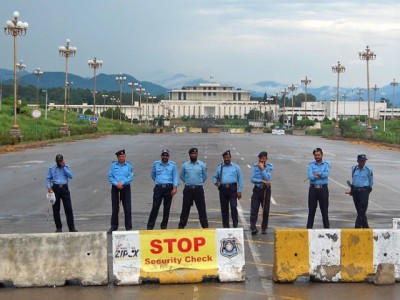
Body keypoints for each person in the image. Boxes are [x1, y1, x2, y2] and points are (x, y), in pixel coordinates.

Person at [147, 149, 179, 230]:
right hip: (158, 188)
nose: (165, 156)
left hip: (169, 188)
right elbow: (153, 175)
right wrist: (159, 182)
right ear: (161, 156)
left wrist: (175, 187)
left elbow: (175, 176)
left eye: (166, 155)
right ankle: (150, 227)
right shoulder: (156, 164)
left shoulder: (172, 165)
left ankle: (163, 227)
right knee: (155, 207)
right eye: (163, 155)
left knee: (167, 208)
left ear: (169, 156)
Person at [46, 154, 77, 232]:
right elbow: (48, 179)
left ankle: (71, 227)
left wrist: (64, 167)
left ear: (63, 160)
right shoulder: (52, 168)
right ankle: (58, 228)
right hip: (55, 188)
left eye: (61, 161)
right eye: (58, 161)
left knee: (68, 208)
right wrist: (49, 187)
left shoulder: (66, 167)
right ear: (56, 161)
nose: (59, 163)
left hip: (64, 188)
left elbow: (71, 176)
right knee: (56, 209)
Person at [178, 148, 209, 229]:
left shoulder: (201, 164)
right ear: (189, 155)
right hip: (188, 189)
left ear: (197, 154)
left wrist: (198, 182)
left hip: (198, 189)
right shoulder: (185, 165)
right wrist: (188, 182)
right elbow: (181, 176)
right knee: (185, 208)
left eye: (195, 154)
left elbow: (205, 176)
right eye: (192, 154)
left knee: (201, 208)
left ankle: (205, 226)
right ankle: (181, 226)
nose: (193, 155)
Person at [213, 150, 244, 228]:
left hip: (232, 188)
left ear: (230, 157)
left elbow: (240, 179)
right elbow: (214, 177)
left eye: (228, 157)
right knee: (224, 208)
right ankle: (226, 226)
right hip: (223, 189)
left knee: (233, 206)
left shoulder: (236, 167)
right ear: (223, 158)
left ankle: (235, 225)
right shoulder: (220, 167)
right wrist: (217, 184)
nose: (226, 159)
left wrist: (239, 191)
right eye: (225, 158)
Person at [108, 149, 134, 234]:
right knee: (115, 208)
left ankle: (128, 227)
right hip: (115, 188)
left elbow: (130, 176)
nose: (121, 158)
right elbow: (110, 176)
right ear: (117, 157)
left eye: (123, 156)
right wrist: (116, 184)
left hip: (125, 187)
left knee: (127, 208)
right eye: (120, 157)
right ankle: (113, 226)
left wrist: (122, 183)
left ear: (125, 157)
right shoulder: (113, 165)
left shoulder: (129, 165)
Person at [306, 147, 331, 229]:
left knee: (324, 211)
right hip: (313, 189)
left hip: (323, 189)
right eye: (315, 155)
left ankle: (327, 230)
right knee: (311, 211)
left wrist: (317, 174)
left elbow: (326, 175)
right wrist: (320, 175)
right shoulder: (311, 165)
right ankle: (308, 230)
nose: (317, 156)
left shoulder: (326, 164)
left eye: (318, 155)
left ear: (322, 155)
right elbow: (310, 176)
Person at [249, 151, 273, 235]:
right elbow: (252, 179)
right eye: (260, 158)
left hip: (266, 190)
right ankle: (253, 227)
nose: (262, 160)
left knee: (265, 210)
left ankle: (264, 228)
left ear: (266, 158)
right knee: (254, 209)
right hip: (257, 189)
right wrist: (261, 180)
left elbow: (268, 179)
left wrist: (262, 169)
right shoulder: (255, 167)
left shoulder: (269, 167)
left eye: (264, 158)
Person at [351, 154, 373, 228]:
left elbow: (371, 182)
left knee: (361, 211)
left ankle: (357, 227)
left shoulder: (368, 170)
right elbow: (353, 179)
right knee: (360, 211)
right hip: (355, 191)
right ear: (358, 161)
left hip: (364, 191)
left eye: (364, 161)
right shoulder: (354, 169)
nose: (363, 162)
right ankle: (366, 228)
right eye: (361, 161)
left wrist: (367, 191)